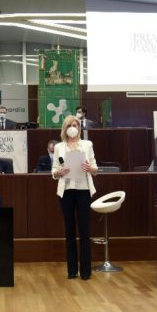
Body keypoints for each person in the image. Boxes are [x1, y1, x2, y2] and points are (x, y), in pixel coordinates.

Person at [52, 115, 98, 280]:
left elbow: (95, 168)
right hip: (66, 192)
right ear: (65, 128)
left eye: (76, 125)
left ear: (80, 128)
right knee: (69, 231)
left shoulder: (87, 144)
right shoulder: (59, 147)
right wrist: (59, 172)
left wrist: (89, 168)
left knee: (85, 231)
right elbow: (54, 170)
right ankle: (72, 270)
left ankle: (86, 271)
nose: (74, 127)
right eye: (70, 125)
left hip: (83, 190)